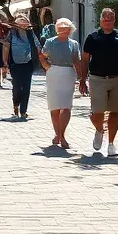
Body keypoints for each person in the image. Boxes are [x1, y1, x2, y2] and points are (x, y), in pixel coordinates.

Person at [82, 8, 118, 158]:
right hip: (97, 79)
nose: (108, 21)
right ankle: (99, 130)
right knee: (96, 113)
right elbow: (85, 59)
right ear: (100, 20)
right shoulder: (92, 38)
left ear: (114, 20)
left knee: (115, 112)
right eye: (105, 18)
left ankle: (111, 144)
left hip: (117, 79)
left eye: (111, 18)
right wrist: (82, 79)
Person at [41, 18, 84, 149]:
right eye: (60, 27)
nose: (62, 29)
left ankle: (62, 135)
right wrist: (46, 67)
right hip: (54, 73)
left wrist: (82, 77)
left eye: (65, 27)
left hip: (68, 73)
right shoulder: (50, 42)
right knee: (54, 106)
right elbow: (42, 56)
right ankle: (57, 134)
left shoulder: (74, 44)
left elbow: (77, 61)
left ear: (70, 29)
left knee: (66, 106)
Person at [6, 17, 42, 120]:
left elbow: (38, 45)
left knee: (26, 87)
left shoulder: (30, 34)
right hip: (15, 64)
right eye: (20, 24)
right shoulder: (12, 33)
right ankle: (16, 106)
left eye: (24, 24)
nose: (22, 26)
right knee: (17, 87)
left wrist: (41, 55)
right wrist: (5, 62)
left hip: (28, 64)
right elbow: (6, 46)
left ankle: (23, 111)